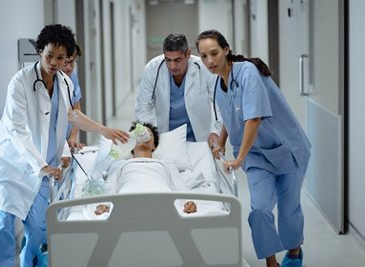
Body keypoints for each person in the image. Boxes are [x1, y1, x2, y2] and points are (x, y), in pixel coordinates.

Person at [196, 29, 311, 267]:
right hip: (257, 156)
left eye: (214, 53)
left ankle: (294, 253)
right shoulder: (219, 84)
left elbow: (253, 118)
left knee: (289, 211)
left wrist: (238, 159)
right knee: (259, 210)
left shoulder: (248, 73)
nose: (210, 61)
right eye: (204, 56)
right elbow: (231, 115)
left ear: (226, 50)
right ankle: (271, 263)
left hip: (287, 149)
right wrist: (222, 140)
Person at [0, 24, 77, 267]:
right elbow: (17, 129)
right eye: (49, 55)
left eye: (60, 57)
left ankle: (30, 263)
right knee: (3, 227)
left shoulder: (65, 83)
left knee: (37, 226)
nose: (54, 62)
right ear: (39, 51)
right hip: (14, 165)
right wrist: (41, 164)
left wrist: (63, 152)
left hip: (45, 167)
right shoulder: (20, 83)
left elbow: (60, 120)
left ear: (67, 58)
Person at [94, 121, 197, 215]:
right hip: (127, 200)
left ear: (154, 146)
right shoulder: (119, 164)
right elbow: (109, 187)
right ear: (130, 143)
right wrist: (104, 205)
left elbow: (179, 186)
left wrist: (188, 202)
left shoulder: (166, 164)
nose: (142, 134)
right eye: (137, 134)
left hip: (162, 199)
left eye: (149, 133)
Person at [135, 33, 221, 145]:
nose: (172, 66)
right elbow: (143, 105)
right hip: (165, 136)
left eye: (177, 60)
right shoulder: (152, 68)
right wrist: (151, 132)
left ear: (188, 54)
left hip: (198, 137)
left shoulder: (204, 68)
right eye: (168, 60)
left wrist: (216, 132)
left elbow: (219, 104)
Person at [61, 43, 84, 150]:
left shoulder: (72, 77)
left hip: (67, 137)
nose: (69, 68)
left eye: (72, 62)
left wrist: (73, 137)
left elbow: (76, 109)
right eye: (65, 63)